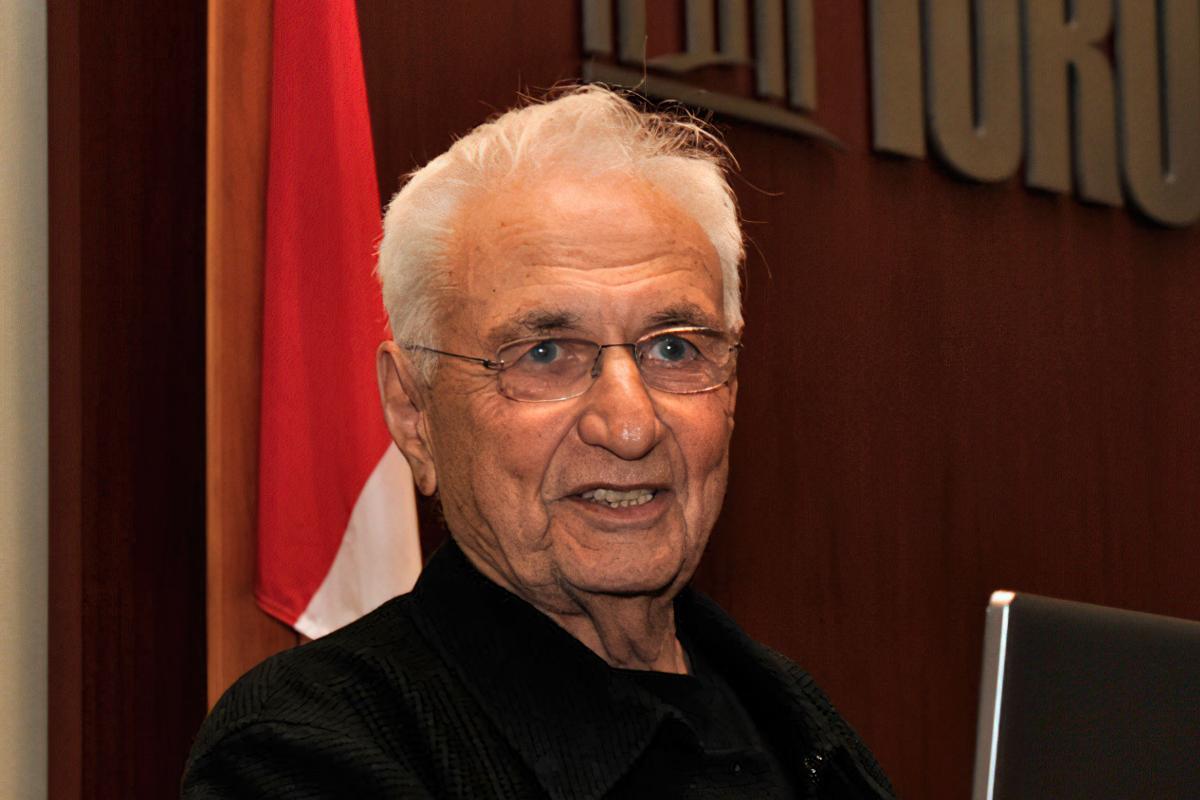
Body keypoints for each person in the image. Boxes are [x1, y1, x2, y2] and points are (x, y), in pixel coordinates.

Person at [182, 86, 895, 799]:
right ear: (413, 413)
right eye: (546, 353)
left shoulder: (799, 726)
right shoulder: (305, 749)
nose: (629, 425)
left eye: (674, 350)